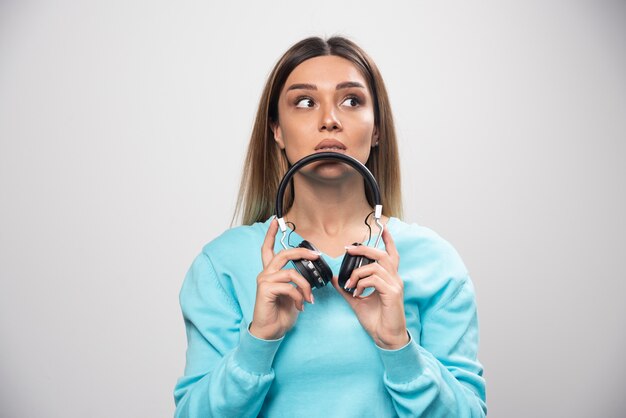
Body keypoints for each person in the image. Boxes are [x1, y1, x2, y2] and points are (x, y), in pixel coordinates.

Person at [173, 36, 487, 417]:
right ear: (276, 130)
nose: (329, 120)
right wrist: (258, 343)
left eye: (352, 101)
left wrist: (398, 346)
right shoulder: (220, 265)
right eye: (304, 102)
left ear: (377, 131)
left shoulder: (436, 263)